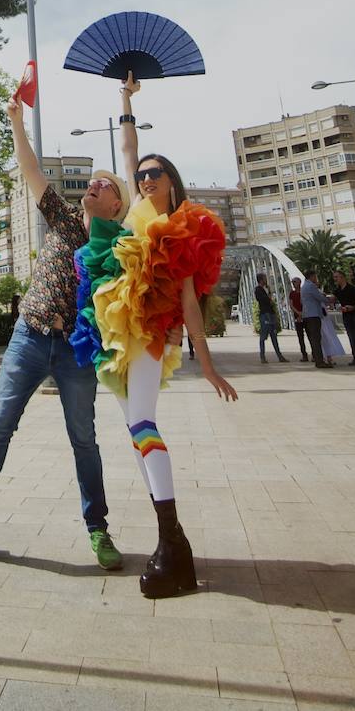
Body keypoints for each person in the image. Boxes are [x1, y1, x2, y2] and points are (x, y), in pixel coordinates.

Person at [75, 71, 237, 599]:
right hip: (123, 328)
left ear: (172, 181)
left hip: (148, 331)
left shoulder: (179, 227)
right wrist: (125, 101)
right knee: (135, 429)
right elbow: (128, 148)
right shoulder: (138, 212)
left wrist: (205, 361)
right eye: (142, 175)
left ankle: (174, 545)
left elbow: (190, 299)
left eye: (155, 174)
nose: (145, 179)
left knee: (143, 423)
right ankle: (172, 543)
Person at [0, 93, 129, 572]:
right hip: (30, 337)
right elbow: (30, 167)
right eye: (90, 182)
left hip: (76, 352)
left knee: (84, 438)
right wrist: (16, 121)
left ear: (117, 203)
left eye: (103, 184)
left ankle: (98, 529)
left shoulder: (120, 247)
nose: (92, 186)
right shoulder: (61, 218)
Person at [297, 268, 332, 368]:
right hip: (314, 315)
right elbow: (319, 297)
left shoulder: (304, 286)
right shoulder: (311, 286)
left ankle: (318, 359)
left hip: (307, 315)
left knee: (313, 338)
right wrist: (329, 300)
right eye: (315, 276)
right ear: (311, 276)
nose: (316, 278)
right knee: (316, 339)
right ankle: (319, 361)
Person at [255, 273, 287, 363]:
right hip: (265, 314)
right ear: (261, 280)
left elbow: (270, 300)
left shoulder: (266, 289)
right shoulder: (258, 289)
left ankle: (280, 356)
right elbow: (262, 300)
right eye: (265, 278)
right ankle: (262, 357)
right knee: (263, 336)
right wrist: (268, 297)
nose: (266, 280)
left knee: (274, 335)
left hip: (270, 313)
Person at [288, 277, 310, 362]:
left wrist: (302, 313)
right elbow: (291, 305)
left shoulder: (304, 292)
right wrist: (298, 313)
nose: (293, 283)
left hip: (306, 315)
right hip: (297, 317)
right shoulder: (292, 293)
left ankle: (315, 354)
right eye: (292, 282)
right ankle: (304, 355)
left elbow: (306, 303)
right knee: (300, 337)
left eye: (295, 282)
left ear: (300, 282)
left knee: (310, 335)